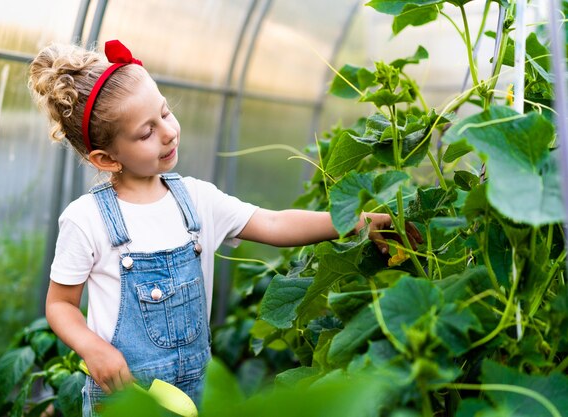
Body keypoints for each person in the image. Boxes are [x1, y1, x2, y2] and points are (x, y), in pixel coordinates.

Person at [28, 40, 422, 416]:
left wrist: (358, 222)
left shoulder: (197, 199)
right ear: (106, 158)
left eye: (164, 113)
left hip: (196, 390)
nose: (167, 132)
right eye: (146, 132)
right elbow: (60, 305)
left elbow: (274, 222)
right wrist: (93, 349)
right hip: (124, 400)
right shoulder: (87, 219)